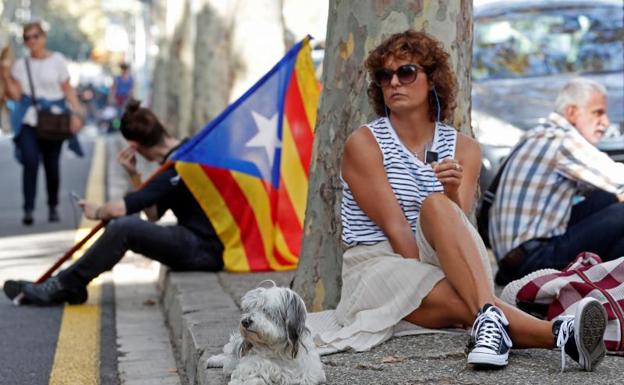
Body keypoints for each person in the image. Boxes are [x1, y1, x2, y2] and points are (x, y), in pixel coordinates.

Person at [312, 30, 607, 371]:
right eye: (384, 75)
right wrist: (452, 279)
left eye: (406, 72)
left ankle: (494, 320)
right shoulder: (363, 144)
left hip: (444, 259)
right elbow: (397, 232)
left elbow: (458, 226)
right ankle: (560, 334)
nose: (394, 82)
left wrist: (451, 194)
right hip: (379, 265)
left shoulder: (464, 149)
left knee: (438, 206)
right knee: (461, 299)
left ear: (432, 79)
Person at [3, 100, 224, 305]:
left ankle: (66, 284)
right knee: (125, 225)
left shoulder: (175, 168)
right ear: (162, 127)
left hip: (206, 250)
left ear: (134, 145)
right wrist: (134, 173)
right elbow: (154, 214)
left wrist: (98, 211)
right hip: (203, 243)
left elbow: (120, 209)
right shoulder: (189, 154)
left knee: (123, 226)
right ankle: (66, 282)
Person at [489, 78, 624, 286]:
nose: (605, 123)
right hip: (533, 261)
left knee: (605, 199)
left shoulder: (537, 135)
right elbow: (618, 178)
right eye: (598, 112)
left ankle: (611, 290)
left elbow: (607, 190)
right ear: (572, 112)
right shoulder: (562, 141)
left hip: (514, 261)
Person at [1, 21, 85, 225]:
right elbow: (15, 95)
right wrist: (4, 72)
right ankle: (28, 208)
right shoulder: (21, 65)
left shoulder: (57, 60)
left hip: (54, 119)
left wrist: (76, 114)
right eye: (27, 38)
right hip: (30, 120)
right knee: (30, 162)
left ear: (43, 37)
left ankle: (53, 206)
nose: (32, 41)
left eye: (35, 36)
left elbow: (67, 89)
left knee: (51, 165)